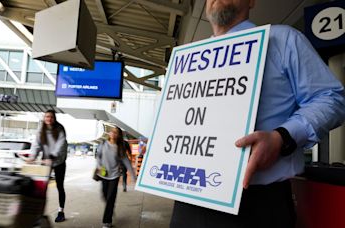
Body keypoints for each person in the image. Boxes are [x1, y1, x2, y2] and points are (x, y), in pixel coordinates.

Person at [170, 0, 345, 227]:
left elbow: (332, 99)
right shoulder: (189, 58)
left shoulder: (283, 40)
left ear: (252, 1)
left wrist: (283, 137)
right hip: (187, 201)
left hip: (258, 204)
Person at [30, 109, 68, 223]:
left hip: (59, 161)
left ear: (54, 118)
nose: (49, 119)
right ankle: (40, 213)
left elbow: (60, 145)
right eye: (47, 117)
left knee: (60, 186)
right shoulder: (41, 130)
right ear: (44, 118)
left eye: (51, 117)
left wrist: (52, 156)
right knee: (42, 188)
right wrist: (32, 156)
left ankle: (61, 212)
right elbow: (36, 144)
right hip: (46, 161)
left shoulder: (60, 129)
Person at [96, 126, 136, 228]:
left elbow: (126, 162)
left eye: (116, 133)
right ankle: (110, 209)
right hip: (104, 174)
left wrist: (133, 175)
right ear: (109, 133)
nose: (113, 134)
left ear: (118, 136)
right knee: (104, 195)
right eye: (112, 132)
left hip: (114, 175)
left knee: (110, 198)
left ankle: (107, 221)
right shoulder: (103, 144)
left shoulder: (120, 148)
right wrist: (99, 166)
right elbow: (98, 156)